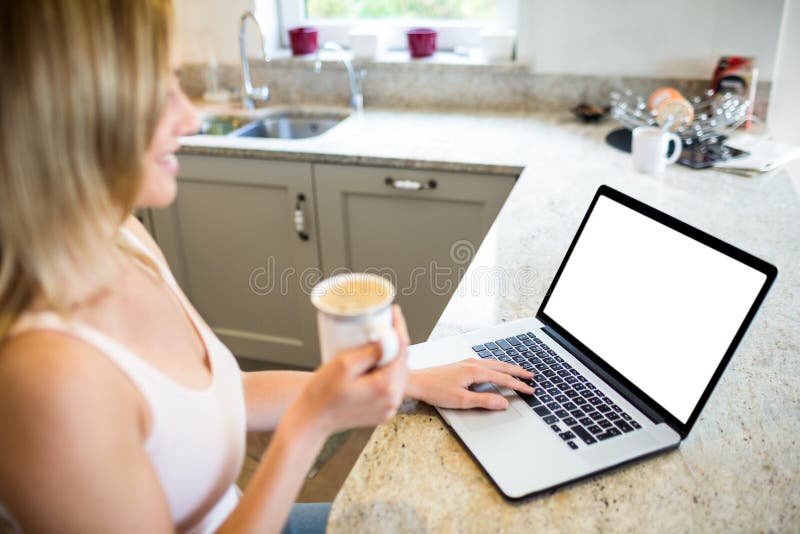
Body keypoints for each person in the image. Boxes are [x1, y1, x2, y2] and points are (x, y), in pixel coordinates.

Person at [0, 1, 535, 532]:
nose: (188, 118)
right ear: (64, 115)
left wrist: (411, 380)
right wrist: (308, 428)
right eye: (156, 93)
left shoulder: (123, 239)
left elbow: (226, 395)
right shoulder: (45, 383)